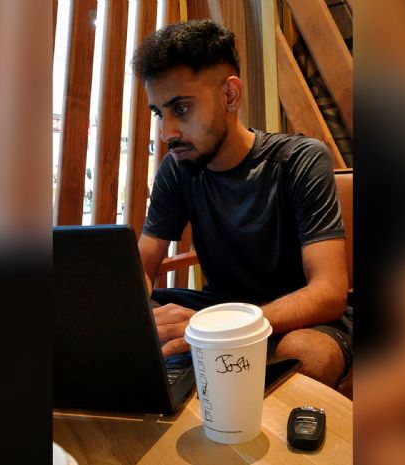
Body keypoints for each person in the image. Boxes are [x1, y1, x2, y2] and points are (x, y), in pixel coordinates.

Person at [133, 19, 351, 388]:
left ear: (230, 95)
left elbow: (328, 293)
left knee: (306, 354)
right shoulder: (178, 168)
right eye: (159, 113)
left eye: (181, 109)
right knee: (137, 318)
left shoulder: (299, 160)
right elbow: (141, 265)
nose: (168, 132)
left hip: (300, 319)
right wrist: (126, 315)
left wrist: (224, 326)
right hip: (220, 307)